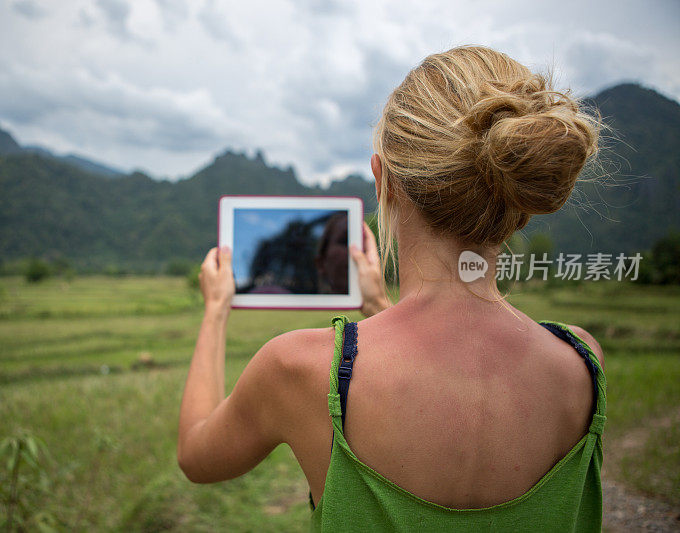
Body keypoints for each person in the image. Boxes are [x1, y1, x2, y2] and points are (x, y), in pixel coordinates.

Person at [177, 45, 605, 532]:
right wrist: (381, 305)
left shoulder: (302, 370)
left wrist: (215, 310)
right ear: (521, 198)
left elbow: (196, 454)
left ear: (385, 181)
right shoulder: (581, 362)